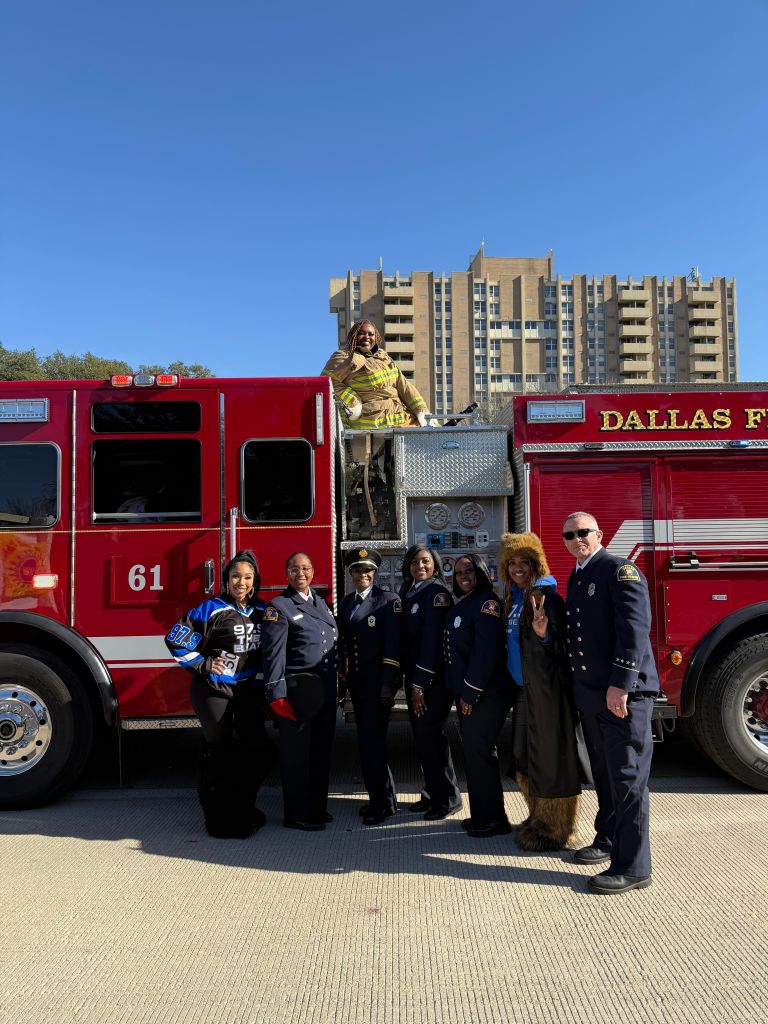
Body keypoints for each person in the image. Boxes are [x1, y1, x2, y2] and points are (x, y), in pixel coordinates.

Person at [562, 511, 659, 894]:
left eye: (583, 532)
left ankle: (634, 867)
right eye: (569, 534)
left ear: (599, 533)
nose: (576, 539)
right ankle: (607, 840)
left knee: (628, 779)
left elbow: (634, 632)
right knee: (604, 774)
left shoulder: (620, 571)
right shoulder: (579, 575)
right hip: (593, 695)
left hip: (621, 696)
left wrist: (621, 685)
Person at [165, 550, 273, 838]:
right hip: (214, 690)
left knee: (258, 751)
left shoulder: (263, 611)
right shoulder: (210, 608)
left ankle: (244, 809)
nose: (241, 582)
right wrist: (203, 664)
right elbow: (175, 638)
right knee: (219, 753)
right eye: (236, 576)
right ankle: (218, 819)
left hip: (248, 690)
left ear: (255, 580)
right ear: (226, 579)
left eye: (247, 577)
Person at [500, 532, 581, 851]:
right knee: (525, 757)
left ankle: (556, 828)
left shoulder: (545, 597)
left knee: (551, 760)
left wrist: (544, 634)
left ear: (537, 564)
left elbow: (563, 646)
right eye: (512, 563)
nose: (517, 568)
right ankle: (538, 817)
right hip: (525, 690)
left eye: (524, 562)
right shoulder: (517, 597)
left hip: (547, 692)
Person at [260, 552, 339, 832]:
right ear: (286, 573)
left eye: (305, 568)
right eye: (294, 569)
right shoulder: (279, 606)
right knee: (296, 757)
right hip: (297, 694)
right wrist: (276, 694)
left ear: (313, 571)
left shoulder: (320, 603)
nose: (300, 573)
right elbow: (273, 656)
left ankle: (317, 807)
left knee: (320, 753)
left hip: (325, 693)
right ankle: (296, 813)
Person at [443, 554, 512, 837]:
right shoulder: (467, 603)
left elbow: (485, 654)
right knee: (474, 754)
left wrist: (470, 694)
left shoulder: (486, 603)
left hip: (484, 693)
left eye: (469, 570)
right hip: (470, 693)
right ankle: (485, 814)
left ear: (482, 572)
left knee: (480, 753)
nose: (463, 575)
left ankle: (494, 821)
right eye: (459, 572)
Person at [337, 547, 402, 825]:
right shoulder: (347, 602)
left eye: (367, 570)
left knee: (374, 744)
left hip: (378, 686)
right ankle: (378, 796)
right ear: (350, 573)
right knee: (365, 744)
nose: (362, 575)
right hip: (358, 685)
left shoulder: (388, 600)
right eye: (357, 570)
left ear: (375, 573)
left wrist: (388, 685)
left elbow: (394, 646)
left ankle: (383, 804)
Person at [400, 545, 462, 820]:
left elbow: (431, 642)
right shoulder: (409, 590)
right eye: (414, 562)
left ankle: (445, 799)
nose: (420, 566)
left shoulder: (436, 593)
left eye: (425, 561)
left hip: (431, 681)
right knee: (424, 739)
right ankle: (432, 793)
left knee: (430, 737)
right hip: (415, 678)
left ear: (435, 564)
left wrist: (419, 685)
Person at [322, 319, 432, 429]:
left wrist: (421, 411)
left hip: (402, 418)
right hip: (373, 424)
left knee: (436, 430)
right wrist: (353, 402)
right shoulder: (343, 357)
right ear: (353, 335)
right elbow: (327, 381)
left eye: (371, 334)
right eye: (361, 333)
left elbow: (403, 385)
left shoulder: (383, 357)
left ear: (376, 337)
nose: (367, 337)